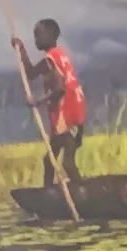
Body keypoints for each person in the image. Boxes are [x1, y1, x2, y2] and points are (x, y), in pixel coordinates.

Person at [25, 14, 88, 189]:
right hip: (75, 113)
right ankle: (49, 194)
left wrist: (37, 101)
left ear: (49, 36)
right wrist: (20, 48)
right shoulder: (59, 56)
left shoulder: (51, 60)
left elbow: (60, 89)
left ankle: (82, 193)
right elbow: (30, 73)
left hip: (67, 115)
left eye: (37, 35)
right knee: (49, 160)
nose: (35, 39)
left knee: (66, 163)